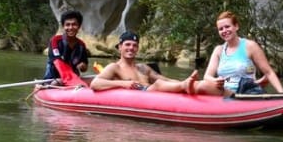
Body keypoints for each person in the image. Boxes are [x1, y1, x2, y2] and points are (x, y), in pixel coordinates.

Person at [90, 31, 219, 94]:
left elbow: (165, 79)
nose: (131, 48)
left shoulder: (142, 68)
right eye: (127, 44)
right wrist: (124, 83)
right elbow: (95, 83)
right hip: (142, 95)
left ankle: (194, 85)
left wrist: (182, 82)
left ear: (137, 48)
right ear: (120, 47)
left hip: (151, 92)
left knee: (163, 82)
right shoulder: (114, 67)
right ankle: (184, 86)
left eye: (134, 45)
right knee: (158, 84)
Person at [204, 11, 283, 94]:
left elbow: (269, 72)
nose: (224, 30)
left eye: (227, 27)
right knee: (198, 84)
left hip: (243, 92)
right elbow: (207, 76)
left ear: (236, 26)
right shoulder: (218, 50)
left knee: (201, 85)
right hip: (223, 92)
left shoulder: (250, 46)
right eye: (221, 29)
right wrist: (214, 80)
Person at [43, 9, 90, 80]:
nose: (70, 28)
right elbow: (57, 62)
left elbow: (84, 67)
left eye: (74, 24)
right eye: (67, 25)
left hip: (73, 79)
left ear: (79, 26)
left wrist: (83, 66)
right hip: (53, 79)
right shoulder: (55, 41)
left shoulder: (81, 45)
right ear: (63, 26)